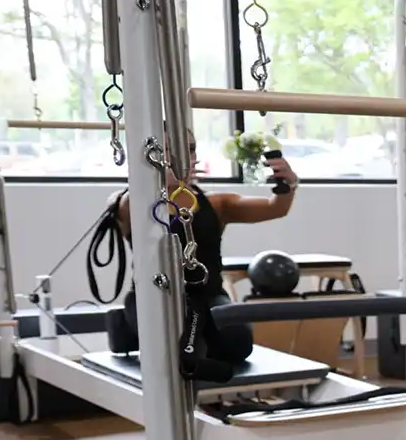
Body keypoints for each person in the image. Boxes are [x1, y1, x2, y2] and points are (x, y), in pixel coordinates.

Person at [109, 134, 301, 365]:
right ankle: (127, 327)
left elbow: (275, 208)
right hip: (153, 297)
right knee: (169, 342)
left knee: (237, 342)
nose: (182, 156)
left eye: (190, 149)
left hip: (207, 296)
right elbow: (121, 205)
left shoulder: (218, 204)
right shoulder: (133, 203)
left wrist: (288, 183)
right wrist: (158, 180)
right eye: (170, 149)